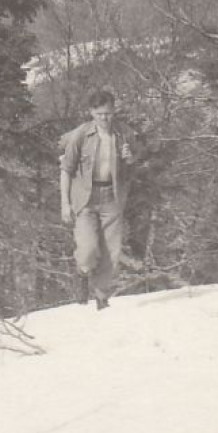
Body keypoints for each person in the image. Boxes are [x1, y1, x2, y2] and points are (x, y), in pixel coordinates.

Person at [59, 89, 135, 310]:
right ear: (91, 112)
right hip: (85, 198)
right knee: (88, 249)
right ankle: (82, 272)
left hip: (112, 196)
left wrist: (130, 159)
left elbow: (133, 167)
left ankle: (102, 298)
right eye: (100, 113)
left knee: (112, 251)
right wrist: (65, 203)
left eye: (109, 113)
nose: (105, 118)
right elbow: (66, 170)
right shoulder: (80, 136)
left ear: (114, 112)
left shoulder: (124, 134)